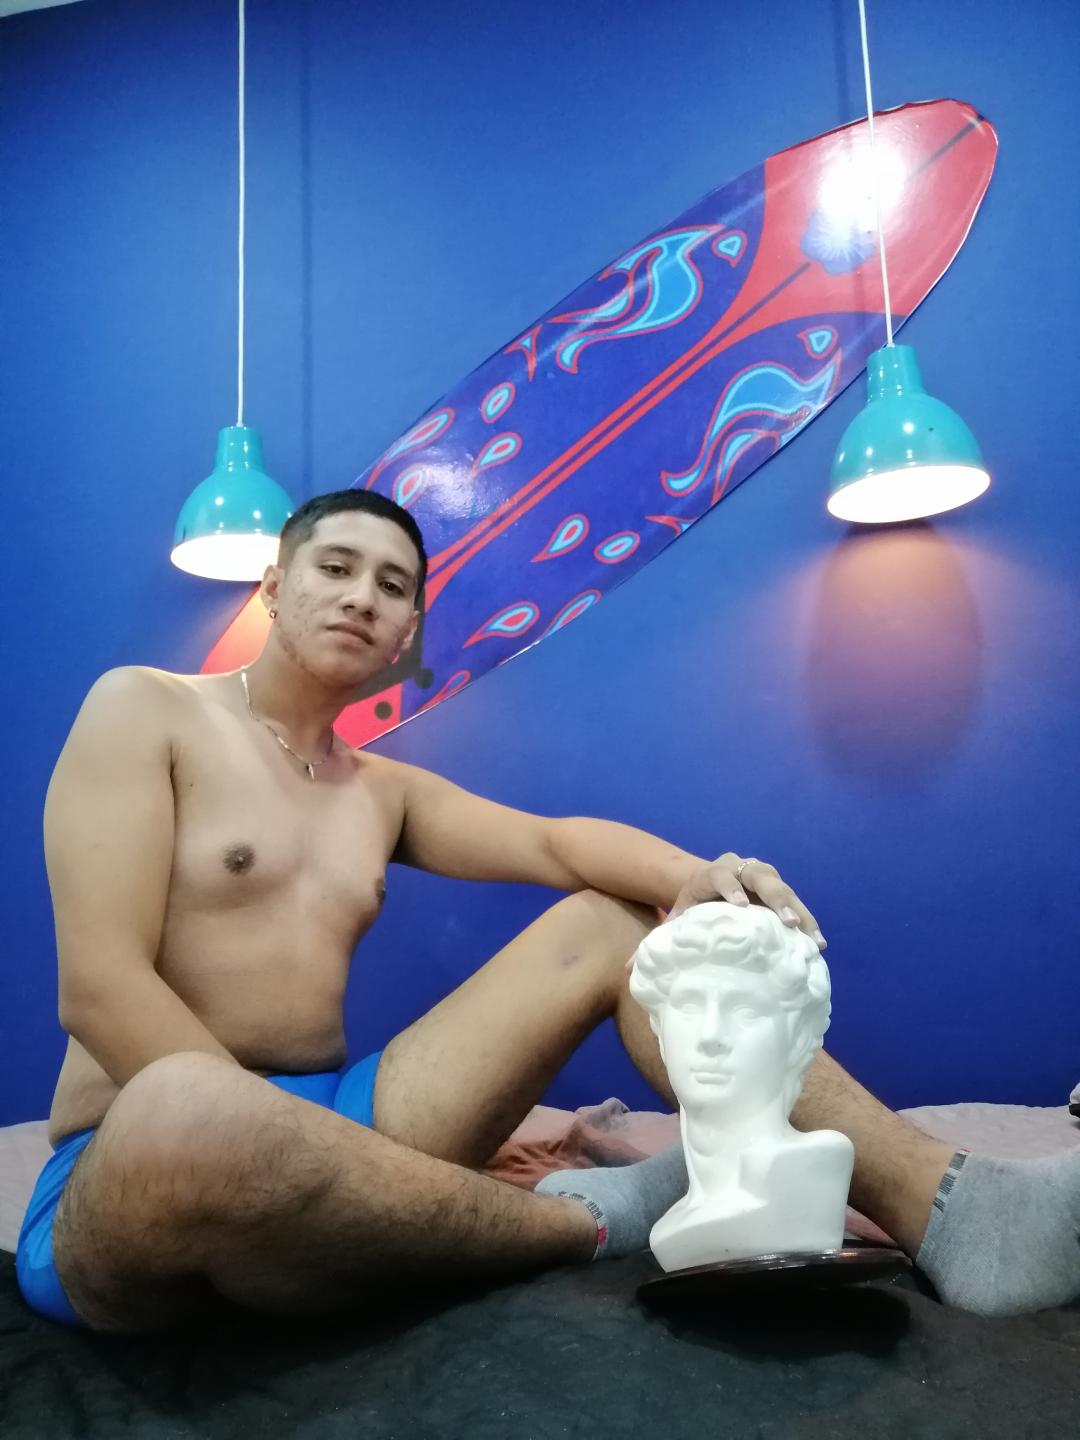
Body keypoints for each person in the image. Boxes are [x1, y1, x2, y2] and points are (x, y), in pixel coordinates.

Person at [16, 489, 1080, 1334]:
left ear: (407, 632)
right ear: (275, 584)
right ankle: (581, 1222)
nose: (361, 596)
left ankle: (952, 1210)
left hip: (347, 1115)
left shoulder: (380, 790)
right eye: (333, 567)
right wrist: (268, 1139)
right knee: (198, 1113)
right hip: (142, 1138)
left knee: (619, 924)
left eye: (392, 585)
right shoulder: (144, 708)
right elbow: (99, 988)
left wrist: (696, 874)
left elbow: (554, 842)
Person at [628, 900, 854, 1269]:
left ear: (797, 1038)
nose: (710, 1036)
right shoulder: (669, 1225)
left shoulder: (810, 1167)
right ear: (660, 1031)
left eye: (746, 1010)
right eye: (689, 1005)